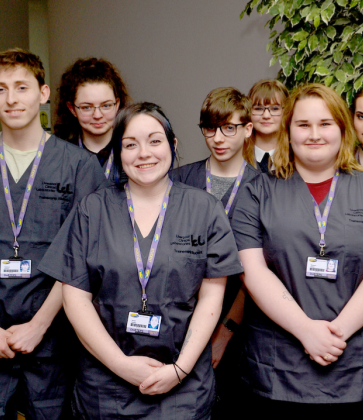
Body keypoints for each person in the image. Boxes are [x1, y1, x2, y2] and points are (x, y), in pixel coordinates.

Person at [0, 48, 106, 420]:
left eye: (22, 87)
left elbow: (81, 257)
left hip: (52, 340)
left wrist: (38, 327)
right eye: (0, 89)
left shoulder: (78, 166)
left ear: (42, 94)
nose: (11, 99)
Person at [38, 102, 243, 420]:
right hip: (105, 388)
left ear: (172, 145)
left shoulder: (204, 209)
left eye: (155, 140)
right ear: (118, 152)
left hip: (182, 389)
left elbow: (211, 296)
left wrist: (180, 369)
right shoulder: (92, 210)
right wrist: (121, 365)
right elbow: (75, 297)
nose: (144, 153)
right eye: (130, 144)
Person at [231, 84, 363, 418]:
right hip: (279, 370)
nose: (314, 134)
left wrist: (335, 333)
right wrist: (305, 331)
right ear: (288, 131)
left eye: (325, 124)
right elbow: (252, 271)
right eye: (303, 124)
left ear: (343, 129)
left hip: (358, 367)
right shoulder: (257, 192)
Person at [170, 87, 260, 418]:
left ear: (248, 129)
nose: (218, 138)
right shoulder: (179, 180)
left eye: (228, 128)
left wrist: (224, 333)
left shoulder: (263, 187)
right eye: (210, 128)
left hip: (240, 326)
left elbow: (257, 272)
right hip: (180, 319)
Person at [54, 58, 131, 180]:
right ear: (72, 109)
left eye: (106, 105)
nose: (97, 115)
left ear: (116, 105)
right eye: (86, 107)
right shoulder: (58, 156)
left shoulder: (133, 152)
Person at [248, 79, 289, 172]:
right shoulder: (236, 158)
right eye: (258, 109)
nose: (266, 116)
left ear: (285, 111)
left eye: (275, 108)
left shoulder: (296, 159)